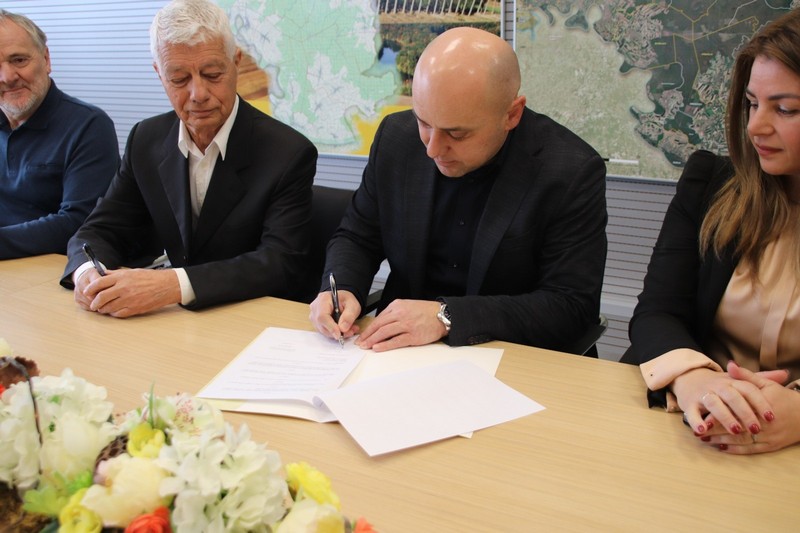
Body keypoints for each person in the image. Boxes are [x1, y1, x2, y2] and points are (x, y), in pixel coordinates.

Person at [309, 27, 607, 354]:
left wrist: (446, 316)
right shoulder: (397, 138)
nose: (432, 149)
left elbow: (571, 306)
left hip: (508, 356)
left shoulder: (569, 171)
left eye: (457, 134)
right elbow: (358, 236)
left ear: (512, 114)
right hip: (400, 354)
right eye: (424, 122)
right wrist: (343, 288)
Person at [61, 0, 317, 317]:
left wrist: (172, 284)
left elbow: (280, 262)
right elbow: (99, 229)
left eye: (212, 74)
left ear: (236, 63)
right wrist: (87, 273)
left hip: (251, 316)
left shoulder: (288, 151)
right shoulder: (146, 139)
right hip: (176, 321)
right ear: (159, 74)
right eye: (179, 79)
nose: (198, 94)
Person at [626, 8, 800, 454]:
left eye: (785, 109)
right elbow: (657, 312)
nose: (755, 127)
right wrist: (693, 378)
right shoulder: (709, 184)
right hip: (692, 429)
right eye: (752, 104)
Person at [0, 10, 118, 259]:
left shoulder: (89, 125)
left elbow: (79, 222)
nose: (8, 77)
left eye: (19, 60)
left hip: (57, 268)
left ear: (46, 59)